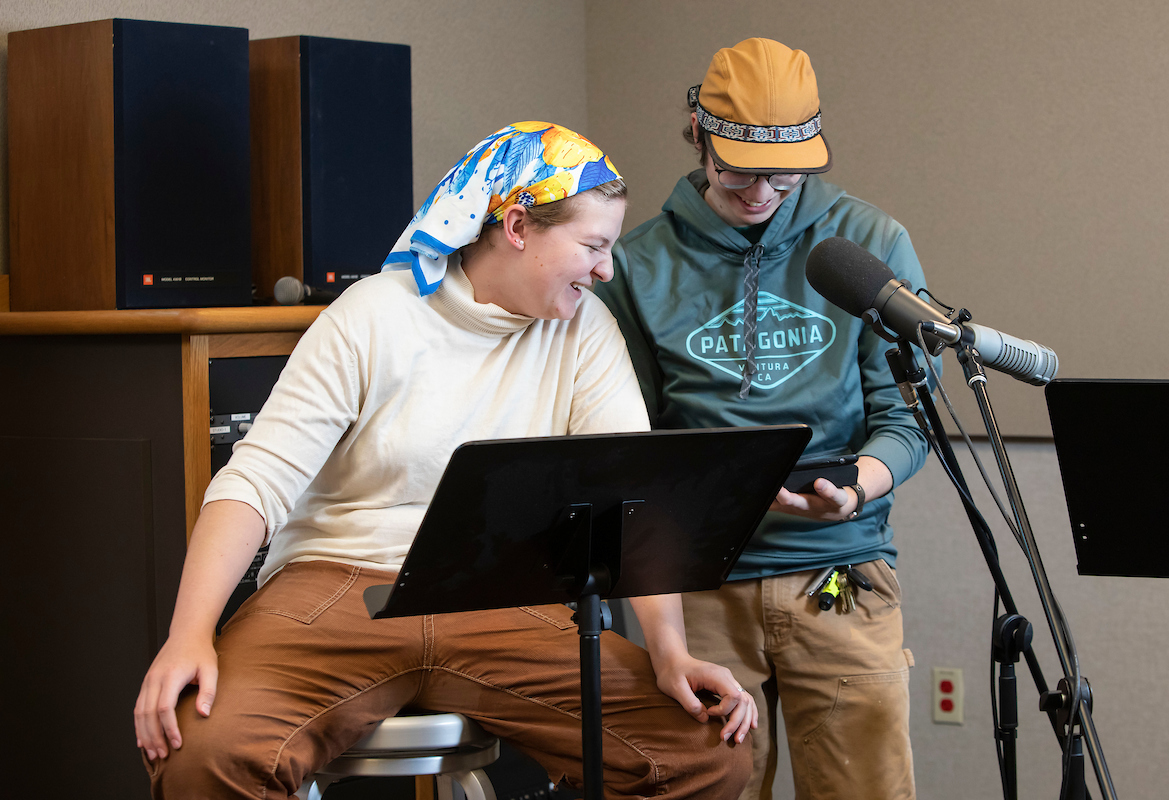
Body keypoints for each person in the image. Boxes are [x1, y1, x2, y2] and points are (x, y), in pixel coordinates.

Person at [133, 122, 756, 799]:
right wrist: (189, 633)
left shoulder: (587, 331)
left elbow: (634, 506)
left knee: (706, 753)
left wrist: (671, 652)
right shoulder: (371, 316)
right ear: (517, 226)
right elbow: (254, 482)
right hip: (340, 585)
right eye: (593, 245)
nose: (608, 268)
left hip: (505, 595)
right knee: (201, 754)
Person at [596, 40, 934, 800]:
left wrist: (856, 486)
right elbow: (631, 446)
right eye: (739, 168)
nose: (760, 191)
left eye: (784, 173)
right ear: (696, 132)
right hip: (698, 587)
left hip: (842, 572)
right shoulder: (638, 266)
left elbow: (907, 420)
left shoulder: (870, 246)